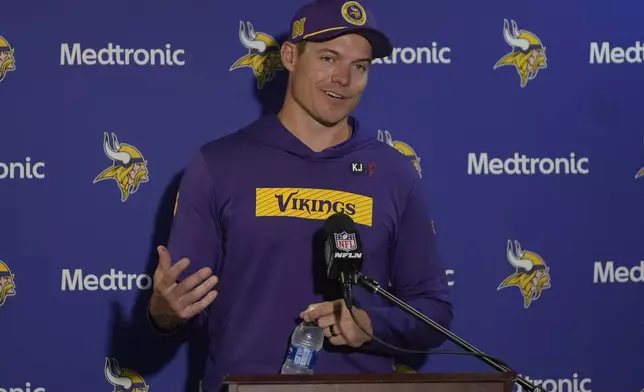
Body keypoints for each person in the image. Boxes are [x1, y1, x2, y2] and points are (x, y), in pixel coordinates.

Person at [147, 0, 453, 390]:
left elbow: (434, 311)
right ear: (290, 56)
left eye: (360, 66)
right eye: (328, 58)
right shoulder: (217, 164)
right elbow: (181, 304)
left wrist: (372, 324)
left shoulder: (394, 173)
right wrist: (163, 311)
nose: (343, 78)